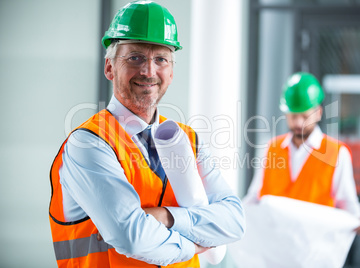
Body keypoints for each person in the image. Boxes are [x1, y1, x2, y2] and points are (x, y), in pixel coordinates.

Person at [48, 1, 245, 267]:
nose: (148, 71)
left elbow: (234, 220)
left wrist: (167, 217)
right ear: (109, 67)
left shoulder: (187, 139)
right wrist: (196, 245)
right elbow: (132, 237)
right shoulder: (88, 143)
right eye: (135, 57)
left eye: (160, 59)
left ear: (171, 72)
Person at [244, 72, 360, 235]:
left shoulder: (337, 153)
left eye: (304, 116)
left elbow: (347, 203)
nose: (298, 123)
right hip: (274, 244)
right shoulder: (271, 149)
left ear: (318, 113)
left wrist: (358, 220)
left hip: (314, 247)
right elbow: (254, 197)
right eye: (293, 116)